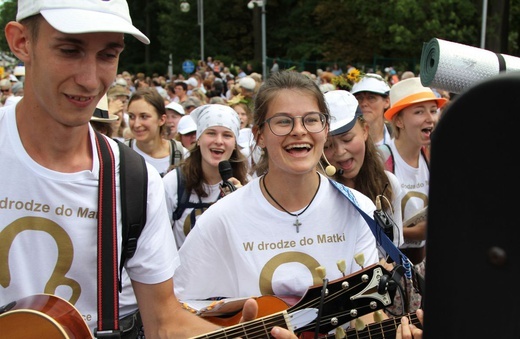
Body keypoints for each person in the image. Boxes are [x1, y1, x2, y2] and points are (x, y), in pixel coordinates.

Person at [0, 1, 297, 338]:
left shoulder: (133, 179)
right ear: (21, 42)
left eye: (108, 55)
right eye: (69, 50)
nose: (89, 79)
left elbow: (162, 320)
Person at [174, 70, 385, 335]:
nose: (299, 131)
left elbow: (368, 314)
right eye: (283, 122)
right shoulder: (223, 218)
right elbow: (174, 308)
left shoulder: (359, 209)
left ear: (325, 128)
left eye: (311, 120)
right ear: (259, 135)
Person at [322, 90, 404, 257]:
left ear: (365, 131)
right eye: (327, 146)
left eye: (347, 139)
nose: (340, 151)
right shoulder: (317, 192)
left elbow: (393, 254)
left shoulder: (388, 184)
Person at [163, 104, 249, 249]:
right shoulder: (173, 183)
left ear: (235, 144)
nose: (219, 141)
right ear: (198, 139)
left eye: (227, 135)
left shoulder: (247, 184)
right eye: (211, 133)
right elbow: (159, 240)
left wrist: (243, 205)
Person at [126, 88, 185, 177]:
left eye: (144, 116)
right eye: (131, 116)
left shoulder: (181, 155)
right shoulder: (121, 155)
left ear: (161, 120)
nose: (136, 124)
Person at [350, 73, 393, 146]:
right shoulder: (348, 141)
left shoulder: (399, 139)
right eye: (359, 98)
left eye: (371, 98)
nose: (364, 103)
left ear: (387, 102)